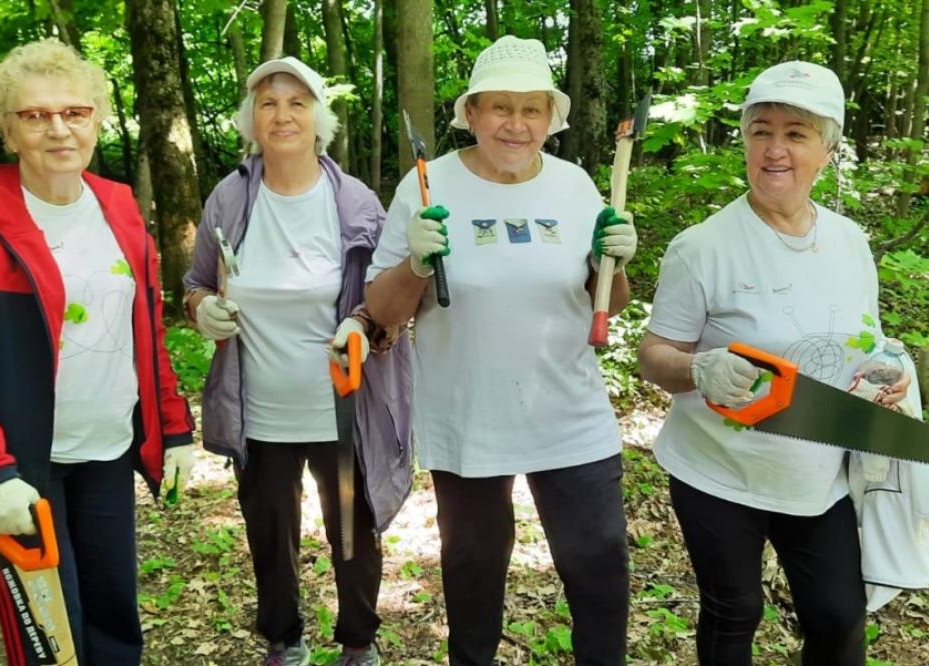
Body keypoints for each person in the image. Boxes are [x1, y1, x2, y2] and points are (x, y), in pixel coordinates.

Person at [364, 35, 638, 666]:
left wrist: (610, 263)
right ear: (472, 114)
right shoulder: (428, 183)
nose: (516, 124)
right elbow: (383, 313)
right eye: (499, 108)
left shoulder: (575, 186)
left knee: (598, 566)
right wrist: (415, 261)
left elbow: (609, 301)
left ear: (551, 117)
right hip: (470, 415)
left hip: (570, 414)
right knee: (473, 571)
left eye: (532, 109)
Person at [637, 61, 913, 666]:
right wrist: (700, 368)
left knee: (840, 617)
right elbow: (653, 357)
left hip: (817, 472)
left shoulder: (850, 242)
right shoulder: (702, 247)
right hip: (719, 469)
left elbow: (871, 340)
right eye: (761, 130)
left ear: (828, 148)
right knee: (735, 612)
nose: (775, 149)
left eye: (796, 133)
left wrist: (894, 366)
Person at [0, 39, 195, 665]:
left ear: (97, 118)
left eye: (74, 112)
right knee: (51, 642)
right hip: (21, 468)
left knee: (112, 621)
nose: (58, 129)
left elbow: (144, 334)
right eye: (35, 115)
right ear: (6, 128)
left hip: (105, 453)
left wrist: (174, 427)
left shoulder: (120, 206)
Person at [183, 56, 411, 666]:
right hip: (258, 409)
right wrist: (202, 305)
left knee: (352, 535)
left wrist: (364, 325)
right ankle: (284, 641)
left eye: (297, 103)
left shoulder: (355, 202)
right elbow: (196, 280)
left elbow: (392, 301)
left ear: (319, 120)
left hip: (342, 405)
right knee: (270, 536)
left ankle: (358, 643)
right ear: (251, 121)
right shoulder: (230, 198)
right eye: (267, 103)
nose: (282, 115)